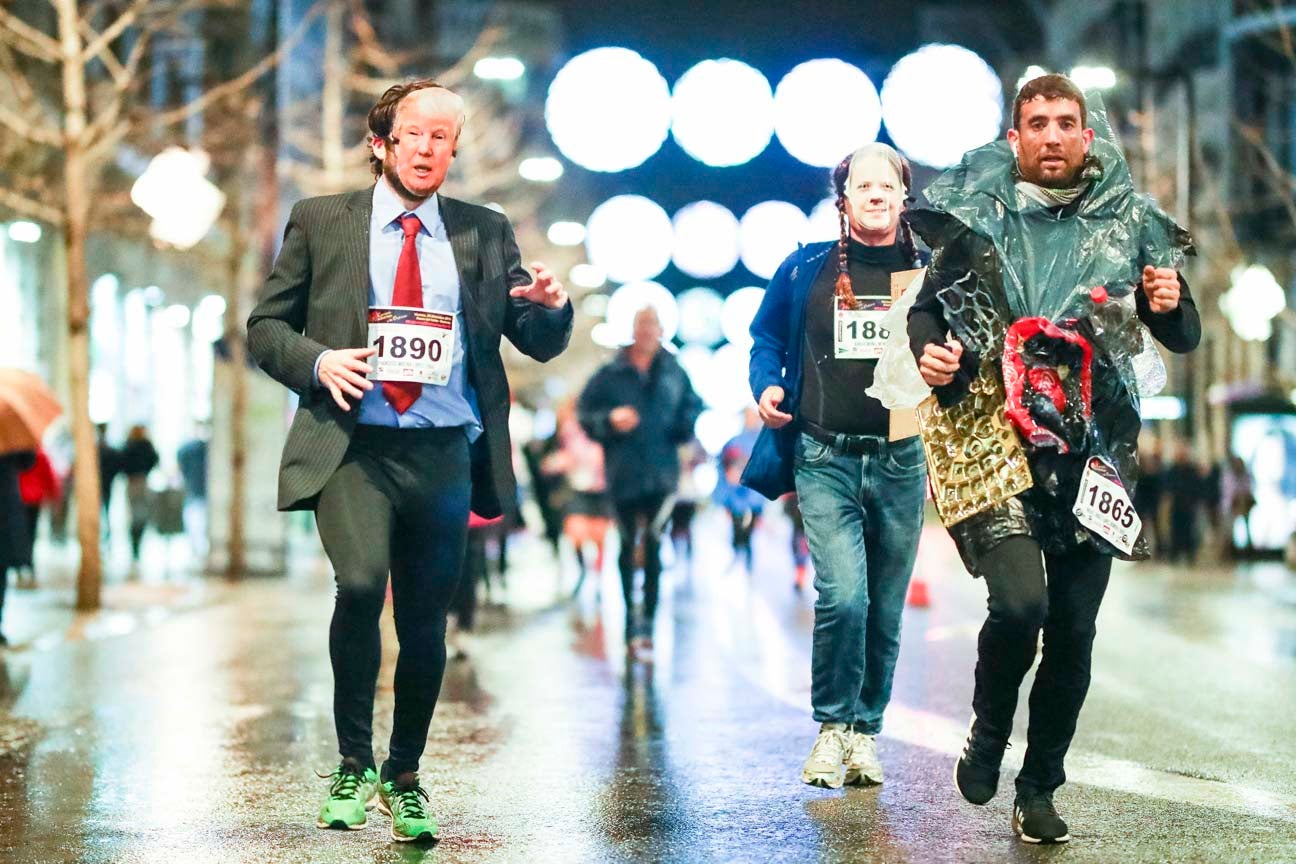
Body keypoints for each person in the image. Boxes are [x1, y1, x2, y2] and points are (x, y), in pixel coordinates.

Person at [246, 78, 572, 842]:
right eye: (414, 135)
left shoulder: (484, 232)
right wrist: (320, 361)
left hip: (442, 451)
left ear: (454, 150)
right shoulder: (323, 221)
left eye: (441, 138)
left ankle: (405, 775)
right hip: (355, 445)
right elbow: (266, 329)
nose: (427, 149)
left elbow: (531, 337)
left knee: (427, 623)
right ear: (380, 142)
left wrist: (552, 310)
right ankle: (353, 764)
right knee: (360, 586)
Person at [906, 74, 1200, 844]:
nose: (1051, 136)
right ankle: (987, 729)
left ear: (1087, 135)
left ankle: (1039, 787)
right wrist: (931, 353)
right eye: (1036, 123)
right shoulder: (977, 217)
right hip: (998, 440)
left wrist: (1169, 306)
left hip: (1096, 448)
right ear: (1015, 138)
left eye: (1066, 122)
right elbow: (927, 308)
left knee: (1073, 630)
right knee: (1022, 607)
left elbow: (1184, 333)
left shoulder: (1131, 221)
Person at [745, 142, 929, 789]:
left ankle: (865, 734)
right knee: (843, 596)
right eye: (862, 186)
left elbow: (967, 348)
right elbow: (766, 337)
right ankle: (831, 729)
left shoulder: (929, 271)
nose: (875, 195)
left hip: (902, 458)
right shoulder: (806, 268)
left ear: (904, 197)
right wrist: (766, 385)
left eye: (888, 186)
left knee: (884, 607)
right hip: (824, 454)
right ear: (843, 200)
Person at [578, 306, 703, 658]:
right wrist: (609, 421)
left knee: (651, 541)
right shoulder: (609, 374)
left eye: (653, 325)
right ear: (633, 330)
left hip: (662, 473)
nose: (648, 331)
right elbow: (584, 414)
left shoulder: (674, 372)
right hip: (623, 471)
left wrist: (682, 427)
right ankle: (631, 620)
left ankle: (646, 622)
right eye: (642, 324)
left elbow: (693, 408)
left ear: (661, 331)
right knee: (626, 539)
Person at [16, 447, 61, 587]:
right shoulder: (40, 455)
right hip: (34, 500)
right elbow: (50, 477)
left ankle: (21, 567)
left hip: (19, 499)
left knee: (20, 534)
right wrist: (54, 496)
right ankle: (28, 566)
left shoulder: (13, 454)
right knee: (30, 534)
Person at [119, 425, 159, 562]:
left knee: (135, 514)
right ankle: (137, 541)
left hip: (132, 482)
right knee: (141, 513)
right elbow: (155, 460)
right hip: (142, 480)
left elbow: (121, 463)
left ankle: (135, 543)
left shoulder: (128, 445)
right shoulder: (146, 445)